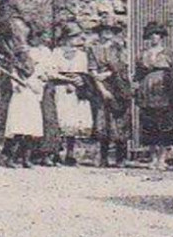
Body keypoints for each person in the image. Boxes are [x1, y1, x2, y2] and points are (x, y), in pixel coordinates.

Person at [3, 27, 51, 168]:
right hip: (20, 96)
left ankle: (26, 159)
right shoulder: (16, 66)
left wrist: (38, 83)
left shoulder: (36, 65)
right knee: (18, 127)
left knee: (30, 129)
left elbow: (41, 76)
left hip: (32, 96)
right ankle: (10, 158)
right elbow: (13, 75)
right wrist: (16, 84)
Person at [47, 30, 94, 165]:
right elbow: (51, 71)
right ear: (66, 38)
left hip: (75, 91)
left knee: (73, 120)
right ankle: (55, 152)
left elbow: (85, 73)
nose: (77, 39)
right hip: (59, 88)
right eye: (74, 36)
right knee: (59, 119)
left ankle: (70, 153)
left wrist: (79, 80)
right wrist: (66, 80)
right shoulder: (56, 52)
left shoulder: (81, 55)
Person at [87, 37, 132, 167]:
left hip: (119, 86)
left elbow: (123, 66)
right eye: (104, 31)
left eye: (110, 31)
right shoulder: (94, 50)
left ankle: (120, 158)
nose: (107, 34)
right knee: (103, 122)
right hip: (102, 87)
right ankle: (103, 157)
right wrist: (101, 88)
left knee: (121, 122)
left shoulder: (118, 48)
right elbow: (92, 71)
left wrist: (108, 73)